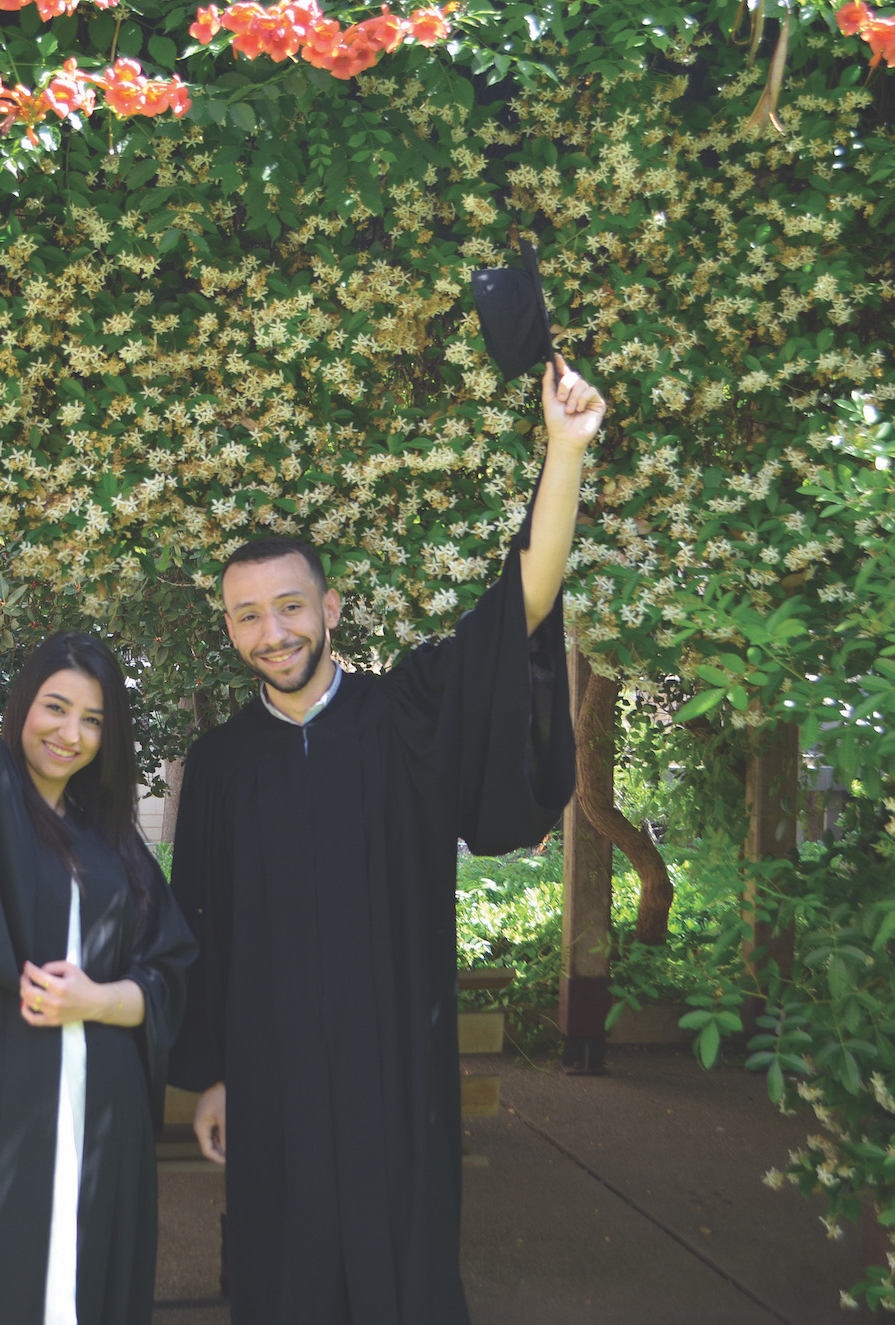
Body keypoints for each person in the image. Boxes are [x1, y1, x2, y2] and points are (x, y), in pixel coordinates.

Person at [167, 357, 606, 1324]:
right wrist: (210, 1076)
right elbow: (202, 928)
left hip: (395, 1069)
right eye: (248, 615)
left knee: (401, 1273)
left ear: (330, 608)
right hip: (271, 1078)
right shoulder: (222, 765)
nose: (272, 631)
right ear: (231, 629)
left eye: (290, 607)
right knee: (284, 1278)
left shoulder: (405, 714)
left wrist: (563, 451)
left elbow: (519, 607)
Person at [0, 426, 198, 1325]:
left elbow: (168, 974)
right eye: (53, 707)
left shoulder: (118, 848)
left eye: (91, 719)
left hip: (99, 1110)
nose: (68, 731)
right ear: (23, 707)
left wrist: (97, 1001)